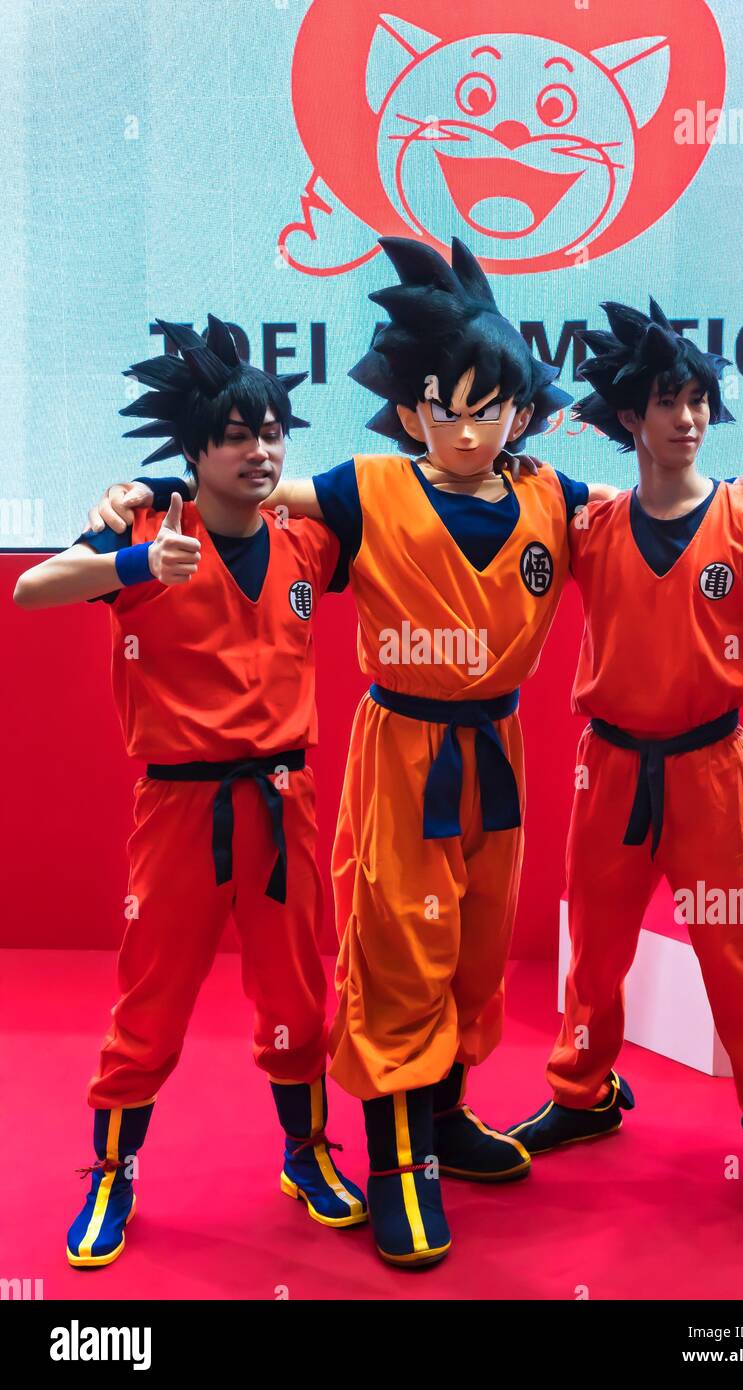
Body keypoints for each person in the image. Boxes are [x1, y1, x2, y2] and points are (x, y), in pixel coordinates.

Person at [86, 247, 743, 1265]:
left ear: (521, 408)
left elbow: (656, 515)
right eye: (446, 408)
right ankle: (395, 1163)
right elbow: (249, 498)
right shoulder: (366, 488)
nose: (469, 427)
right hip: (404, 746)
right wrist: (149, 487)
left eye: (490, 405)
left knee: (474, 951)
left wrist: (741, 490)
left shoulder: (551, 496)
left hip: (496, 749)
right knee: (396, 954)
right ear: (414, 412)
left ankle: (446, 1117)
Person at [13, 316, 366, 1268]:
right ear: (196, 449)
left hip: (284, 802)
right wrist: (131, 563)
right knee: (152, 1001)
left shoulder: (307, 546)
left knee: (298, 995)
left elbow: (421, 512)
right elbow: (32, 590)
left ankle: (305, 1151)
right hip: (178, 810)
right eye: (236, 436)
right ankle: (114, 1175)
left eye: (271, 434)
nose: (259, 452)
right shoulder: (141, 528)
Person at [507, 297, 743, 1227]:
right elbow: (483, 487)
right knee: (592, 952)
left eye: (700, 398)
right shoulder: (588, 524)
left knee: (742, 955)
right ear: (631, 416)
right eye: (668, 400)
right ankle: (582, 1094)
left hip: (708, 773)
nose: (689, 416)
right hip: (610, 770)